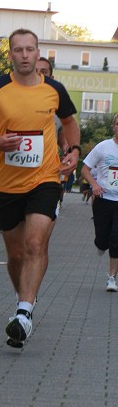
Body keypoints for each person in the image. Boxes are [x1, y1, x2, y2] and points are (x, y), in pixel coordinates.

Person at [0, 28, 80, 348]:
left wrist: (74, 151)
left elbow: (69, 122)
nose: (25, 55)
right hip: (7, 184)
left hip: (45, 180)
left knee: (35, 243)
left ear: (38, 52)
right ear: (10, 54)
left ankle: (24, 312)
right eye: (18, 50)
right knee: (15, 254)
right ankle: (23, 297)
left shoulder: (54, 89)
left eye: (30, 50)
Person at [81, 114, 118, 292]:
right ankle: (100, 243)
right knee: (103, 240)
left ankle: (112, 277)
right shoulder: (103, 147)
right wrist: (94, 184)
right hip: (104, 199)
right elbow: (85, 169)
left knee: (116, 239)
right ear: (113, 126)